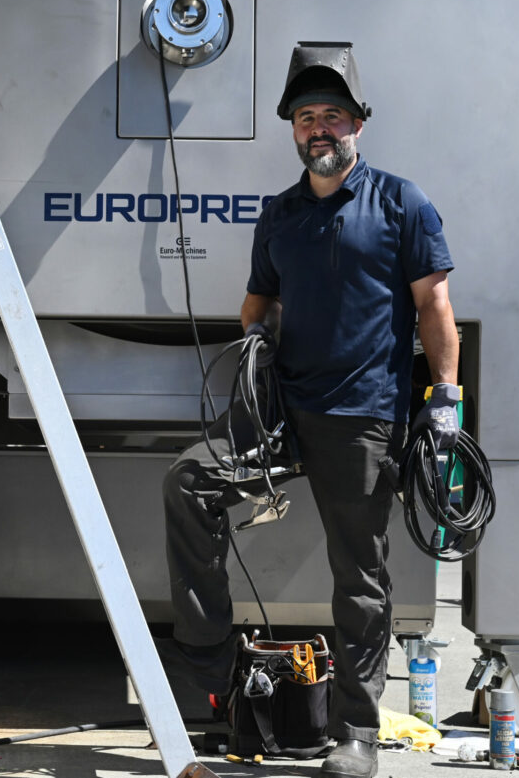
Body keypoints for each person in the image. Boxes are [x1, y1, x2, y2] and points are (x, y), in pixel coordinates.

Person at [162, 42, 460, 778]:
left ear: (359, 121)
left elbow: (435, 303)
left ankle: (356, 730)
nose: (318, 127)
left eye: (332, 114)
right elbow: (255, 304)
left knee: (359, 571)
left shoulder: (402, 202)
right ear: (292, 130)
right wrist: (256, 344)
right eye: (305, 116)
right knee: (187, 483)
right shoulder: (281, 214)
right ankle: (211, 659)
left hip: (363, 415)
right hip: (280, 410)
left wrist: (445, 398)